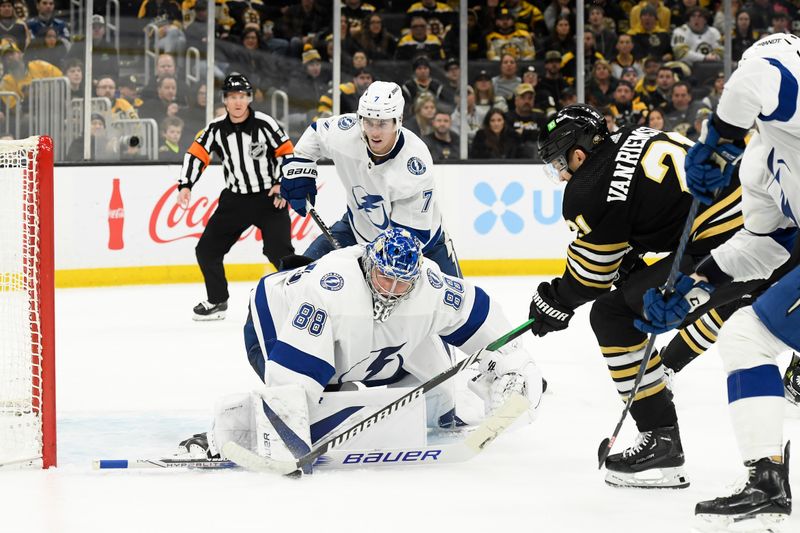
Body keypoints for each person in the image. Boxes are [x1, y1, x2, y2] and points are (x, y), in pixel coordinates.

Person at [528, 103, 784, 489]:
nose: (562, 175)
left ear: (578, 153)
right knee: (722, 299)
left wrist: (555, 300)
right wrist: (632, 259)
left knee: (611, 317)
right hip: (777, 222)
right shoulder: (636, 134)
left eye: (559, 164)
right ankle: (668, 369)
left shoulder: (587, 187)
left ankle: (661, 443)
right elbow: (657, 207)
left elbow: (590, 278)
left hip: (735, 247)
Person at [176, 228, 543, 468]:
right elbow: (290, 378)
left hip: (363, 333)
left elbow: (481, 314)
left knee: (437, 390)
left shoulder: (430, 285)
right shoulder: (330, 290)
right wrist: (284, 426)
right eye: (385, 276)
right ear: (369, 266)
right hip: (275, 314)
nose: (392, 289)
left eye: (403, 283)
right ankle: (225, 428)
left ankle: (440, 411)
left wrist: (513, 365)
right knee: (314, 401)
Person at [654, 32, 800, 528]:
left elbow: (761, 74)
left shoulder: (781, 69)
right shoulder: (762, 158)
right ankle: (766, 483)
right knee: (745, 336)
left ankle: (767, 484)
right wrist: (695, 283)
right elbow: (767, 245)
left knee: (747, 338)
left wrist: (716, 140)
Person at [280, 80, 462, 278]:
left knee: (456, 304)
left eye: (383, 123)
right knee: (300, 280)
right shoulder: (347, 131)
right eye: (368, 121)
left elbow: (409, 240)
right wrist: (299, 170)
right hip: (356, 228)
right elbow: (316, 134)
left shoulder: (413, 165)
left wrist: (367, 264)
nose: (374, 132)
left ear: (398, 120)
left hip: (421, 249)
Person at [176, 74, 295, 320]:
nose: (238, 102)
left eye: (242, 97)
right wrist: (186, 184)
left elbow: (287, 153)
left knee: (279, 252)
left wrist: (283, 184)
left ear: (249, 98)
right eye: (232, 97)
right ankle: (217, 300)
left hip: (269, 199)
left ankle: (300, 297)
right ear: (225, 100)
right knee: (207, 250)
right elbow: (197, 153)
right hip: (235, 200)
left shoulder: (265, 124)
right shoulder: (216, 128)